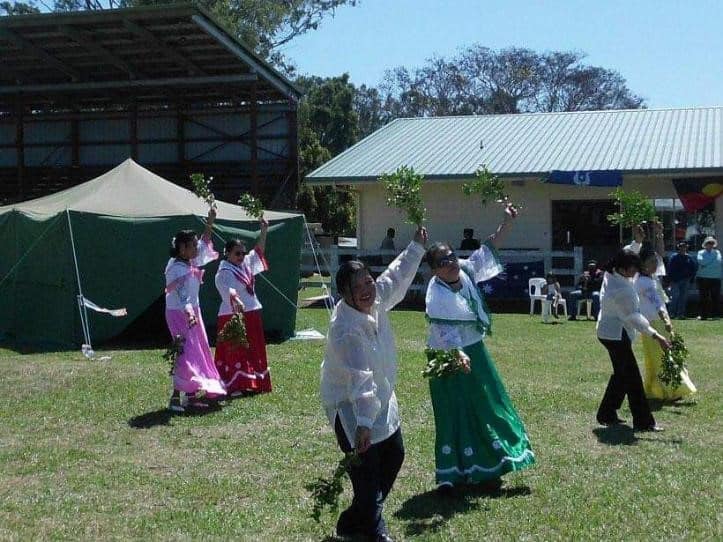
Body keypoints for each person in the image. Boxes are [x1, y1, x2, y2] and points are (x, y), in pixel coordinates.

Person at [320, 226, 428, 542]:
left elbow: (396, 277)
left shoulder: (375, 298)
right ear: (345, 294)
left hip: (380, 395)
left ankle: (354, 522)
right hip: (350, 404)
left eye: (368, 281)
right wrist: (363, 425)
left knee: (393, 455)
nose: (367, 289)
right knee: (366, 475)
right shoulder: (345, 330)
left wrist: (417, 247)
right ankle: (373, 529)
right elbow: (359, 379)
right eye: (358, 287)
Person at [424, 205, 534, 494]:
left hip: (475, 352)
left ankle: (491, 462)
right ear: (434, 270)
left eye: (451, 256)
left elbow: (490, 245)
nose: (449, 263)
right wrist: (456, 353)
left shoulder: (467, 270)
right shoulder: (435, 293)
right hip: (446, 356)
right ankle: (451, 473)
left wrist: (507, 222)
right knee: (454, 410)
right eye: (442, 261)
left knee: (487, 405)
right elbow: (442, 331)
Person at [595, 250, 670, 431]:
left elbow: (626, 254)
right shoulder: (621, 291)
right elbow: (634, 317)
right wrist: (656, 335)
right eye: (633, 269)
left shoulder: (611, 273)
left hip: (607, 332)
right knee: (633, 379)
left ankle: (607, 413)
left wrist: (637, 242)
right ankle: (644, 422)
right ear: (622, 268)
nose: (636, 272)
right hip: (616, 335)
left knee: (622, 374)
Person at [165, 208, 226, 412]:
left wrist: (210, 221)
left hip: (193, 312)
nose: (195, 249)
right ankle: (175, 398)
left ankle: (190, 396)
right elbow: (182, 296)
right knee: (185, 353)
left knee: (197, 351)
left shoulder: (190, 263)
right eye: (191, 245)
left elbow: (204, 243)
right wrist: (189, 313)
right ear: (182, 248)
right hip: (179, 314)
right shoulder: (174, 268)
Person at [214, 216, 271, 396]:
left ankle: (254, 381)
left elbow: (259, 251)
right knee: (235, 349)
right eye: (236, 253)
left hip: (251, 311)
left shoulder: (245, 264)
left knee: (253, 347)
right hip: (232, 314)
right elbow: (227, 289)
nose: (241, 256)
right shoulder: (224, 271)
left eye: (242, 253)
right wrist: (236, 299)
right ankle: (234, 384)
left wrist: (264, 231)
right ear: (228, 254)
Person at [636, 247, 696, 401]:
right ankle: (668, 390)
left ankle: (664, 389)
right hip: (654, 322)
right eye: (651, 262)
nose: (655, 265)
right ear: (642, 264)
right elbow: (657, 304)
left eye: (656, 262)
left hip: (652, 322)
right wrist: (666, 320)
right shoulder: (644, 282)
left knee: (659, 357)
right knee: (660, 357)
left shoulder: (648, 279)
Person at [667, 241, 697, 319]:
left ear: (686, 248)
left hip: (686, 280)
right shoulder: (674, 257)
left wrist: (691, 279)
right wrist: (671, 279)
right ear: (679, 247)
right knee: (675, 297)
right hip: (675, 281)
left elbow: (693, 269)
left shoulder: (689, 257)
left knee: (683, 298)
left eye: (684, 247)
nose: (683, 248)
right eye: (681, 247)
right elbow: (670, 269)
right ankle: (671, 314)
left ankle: (681, 314)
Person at [695, 236, 721, 320]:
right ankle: (703, 315)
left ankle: (715, 315)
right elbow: (701, 261)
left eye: (712, 243)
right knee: (703, 298)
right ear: (705, 244)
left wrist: (707, 264)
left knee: (715, 297)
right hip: (703, 278)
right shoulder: (700, 252)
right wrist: (712, 261)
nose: (710, 244)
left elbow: (719, 263)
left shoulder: (718, 252)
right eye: (709, 243)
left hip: (716, 278)